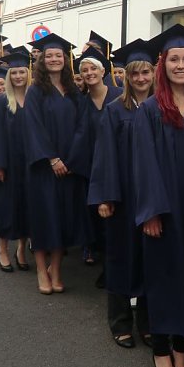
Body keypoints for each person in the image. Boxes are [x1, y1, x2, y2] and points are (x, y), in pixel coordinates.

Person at [132, 24, 184, 367]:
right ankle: (161, 348)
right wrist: (150, 210)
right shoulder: (149, 111)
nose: (181, 65)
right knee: (165, 279)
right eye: (174, 60)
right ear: (162, 65)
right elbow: (144, 164)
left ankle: (183, 346)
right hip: (165, 212)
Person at [88, 39, 156, 349]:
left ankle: (147, 321)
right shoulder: (116, 110)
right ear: (125, 77)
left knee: (148, 260)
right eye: (135, 74)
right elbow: (105, 156)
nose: (141, 79)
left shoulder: (161, 108)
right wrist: (105, 197)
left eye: (145, 72)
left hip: (153, 199)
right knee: (120, 258)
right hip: (123, 198)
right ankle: (119, 321)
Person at [23, 33, 90, 294]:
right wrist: (52, 158)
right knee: (43, 218)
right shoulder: (35, 91)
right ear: (41, 59)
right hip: (44, 168)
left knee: (63, 219)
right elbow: (33, 128)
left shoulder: (74, 91)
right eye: (49, 55)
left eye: (58, 55)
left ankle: (57, 270)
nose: (54, 59)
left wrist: (70, 160)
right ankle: (42, 269)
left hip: (68, 169)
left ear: (65, 59)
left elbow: (83, 128)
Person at [76, 46, 124, 270]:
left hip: (115, 162)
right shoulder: (81, 102)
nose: (88, 73)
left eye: (92, 68)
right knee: (92, 211)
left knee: (114, 212)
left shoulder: (118, 96)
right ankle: (93, 247)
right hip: (90, 164)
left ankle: (113, 259)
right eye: (84, 70)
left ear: (103, 71)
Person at [0, 53, 32, 273]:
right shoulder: (2, 101)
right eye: (13, 72)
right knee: (7, 207)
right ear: (8, 76)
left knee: (27, 208)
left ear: (28, 73)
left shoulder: (35, 99)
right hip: (9, 163)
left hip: (31, 164)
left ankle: (21, 249)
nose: (18, 76)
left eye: (22, 71)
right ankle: (3, 249)